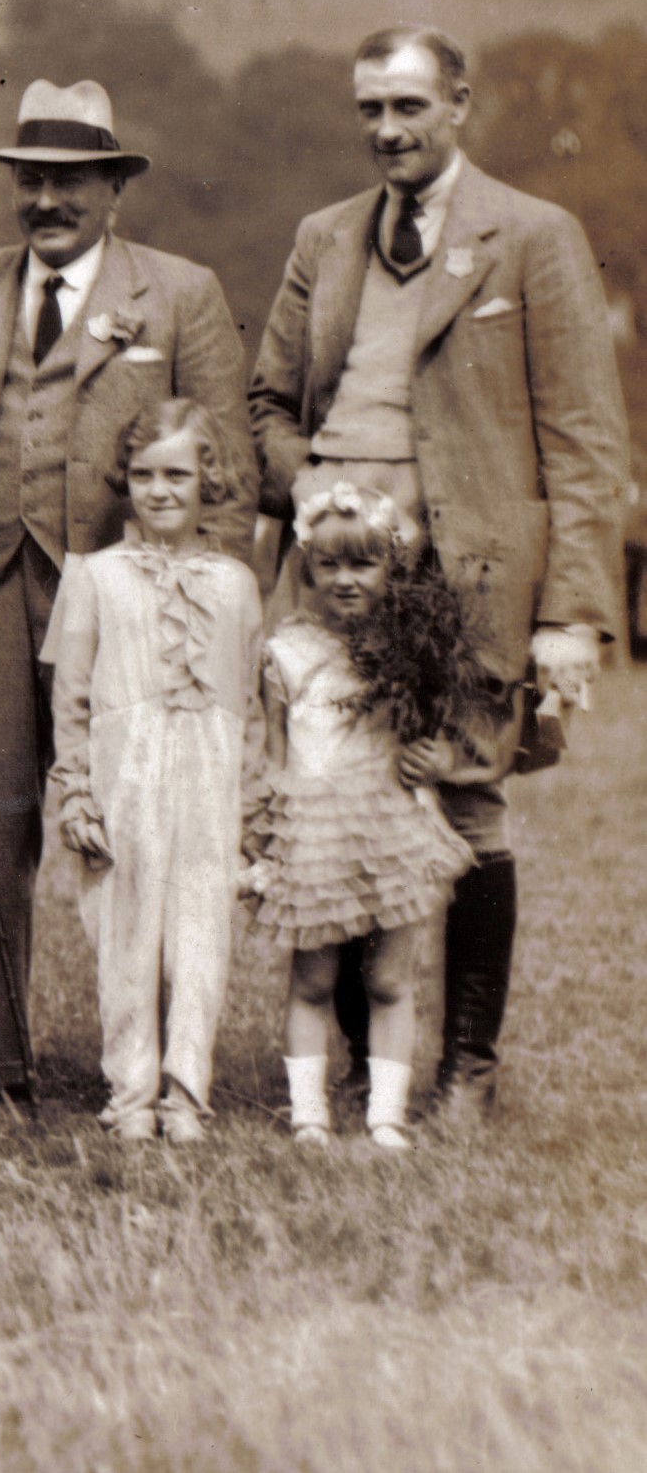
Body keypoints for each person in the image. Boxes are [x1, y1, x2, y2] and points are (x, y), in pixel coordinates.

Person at [249, 25, 628, 1120]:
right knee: (335, 805)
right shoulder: (323, 238)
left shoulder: (532, 235)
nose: (385, 130)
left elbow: (584, 444)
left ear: (459, 105)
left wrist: (568, 616)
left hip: (465, 582)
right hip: (329, 587)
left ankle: (465, 1066)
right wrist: (308, 483)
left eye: (408, 107)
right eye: (368, 109)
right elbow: (266, 406)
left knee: (460, 805)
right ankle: (367, 1074)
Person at [0, 78, 252, 1102]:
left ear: (112, 190)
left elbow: (222, 470)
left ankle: (141, 1067)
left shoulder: (178, 294)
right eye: (30, 181)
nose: (45, 200)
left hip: (132, 604)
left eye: (69, 182)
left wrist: (206, 627)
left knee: (139, 827)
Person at [42, 401, 264, 1145]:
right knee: (124, 933)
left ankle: (186, 1092)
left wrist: (255, 798)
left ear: (211, 478)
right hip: (123, 774)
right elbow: (69, 695)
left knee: (201, 931)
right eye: (143, 475)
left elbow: (254, 703)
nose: (160, 490)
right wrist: (76, 790)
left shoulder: (237, 582)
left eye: (178, 473)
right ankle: (131, 1090)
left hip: (210, 774)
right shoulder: (97, 576)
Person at [247, 484, 483, 1150]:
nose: (347, 580)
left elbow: (435, 736)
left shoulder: (413, 649)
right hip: (315, 830)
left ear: (393, 568)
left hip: (390, 827)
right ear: (307, 569)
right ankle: (308, 1115)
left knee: (387, 977)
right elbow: (272, 750)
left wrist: (432, 758)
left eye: (364, 563)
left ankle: (387, 1116)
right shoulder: (288, 652)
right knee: (314, 977)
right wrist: (265, 832)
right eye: (330, 565)